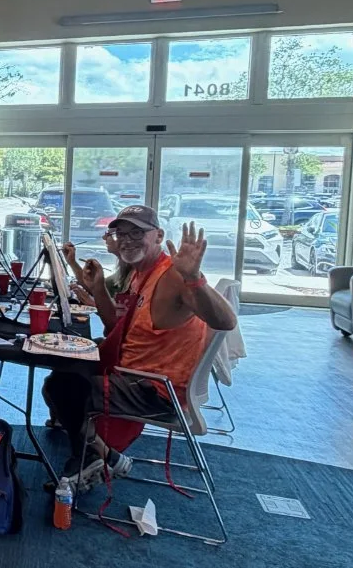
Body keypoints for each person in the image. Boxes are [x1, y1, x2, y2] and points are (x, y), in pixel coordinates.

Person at [45, 207, 236, 489]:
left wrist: (195, 277)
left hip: (155, 389)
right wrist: (98, 288)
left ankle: (94, 455)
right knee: (69, 364)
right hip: (134, 372)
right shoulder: (140, 273)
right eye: (121, 233)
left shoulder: (173, 275)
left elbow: (226, 320)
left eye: (137, 232)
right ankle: (100, 452)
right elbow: (116, 328)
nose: (127, 239)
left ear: (158, 235)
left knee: (62, 388)